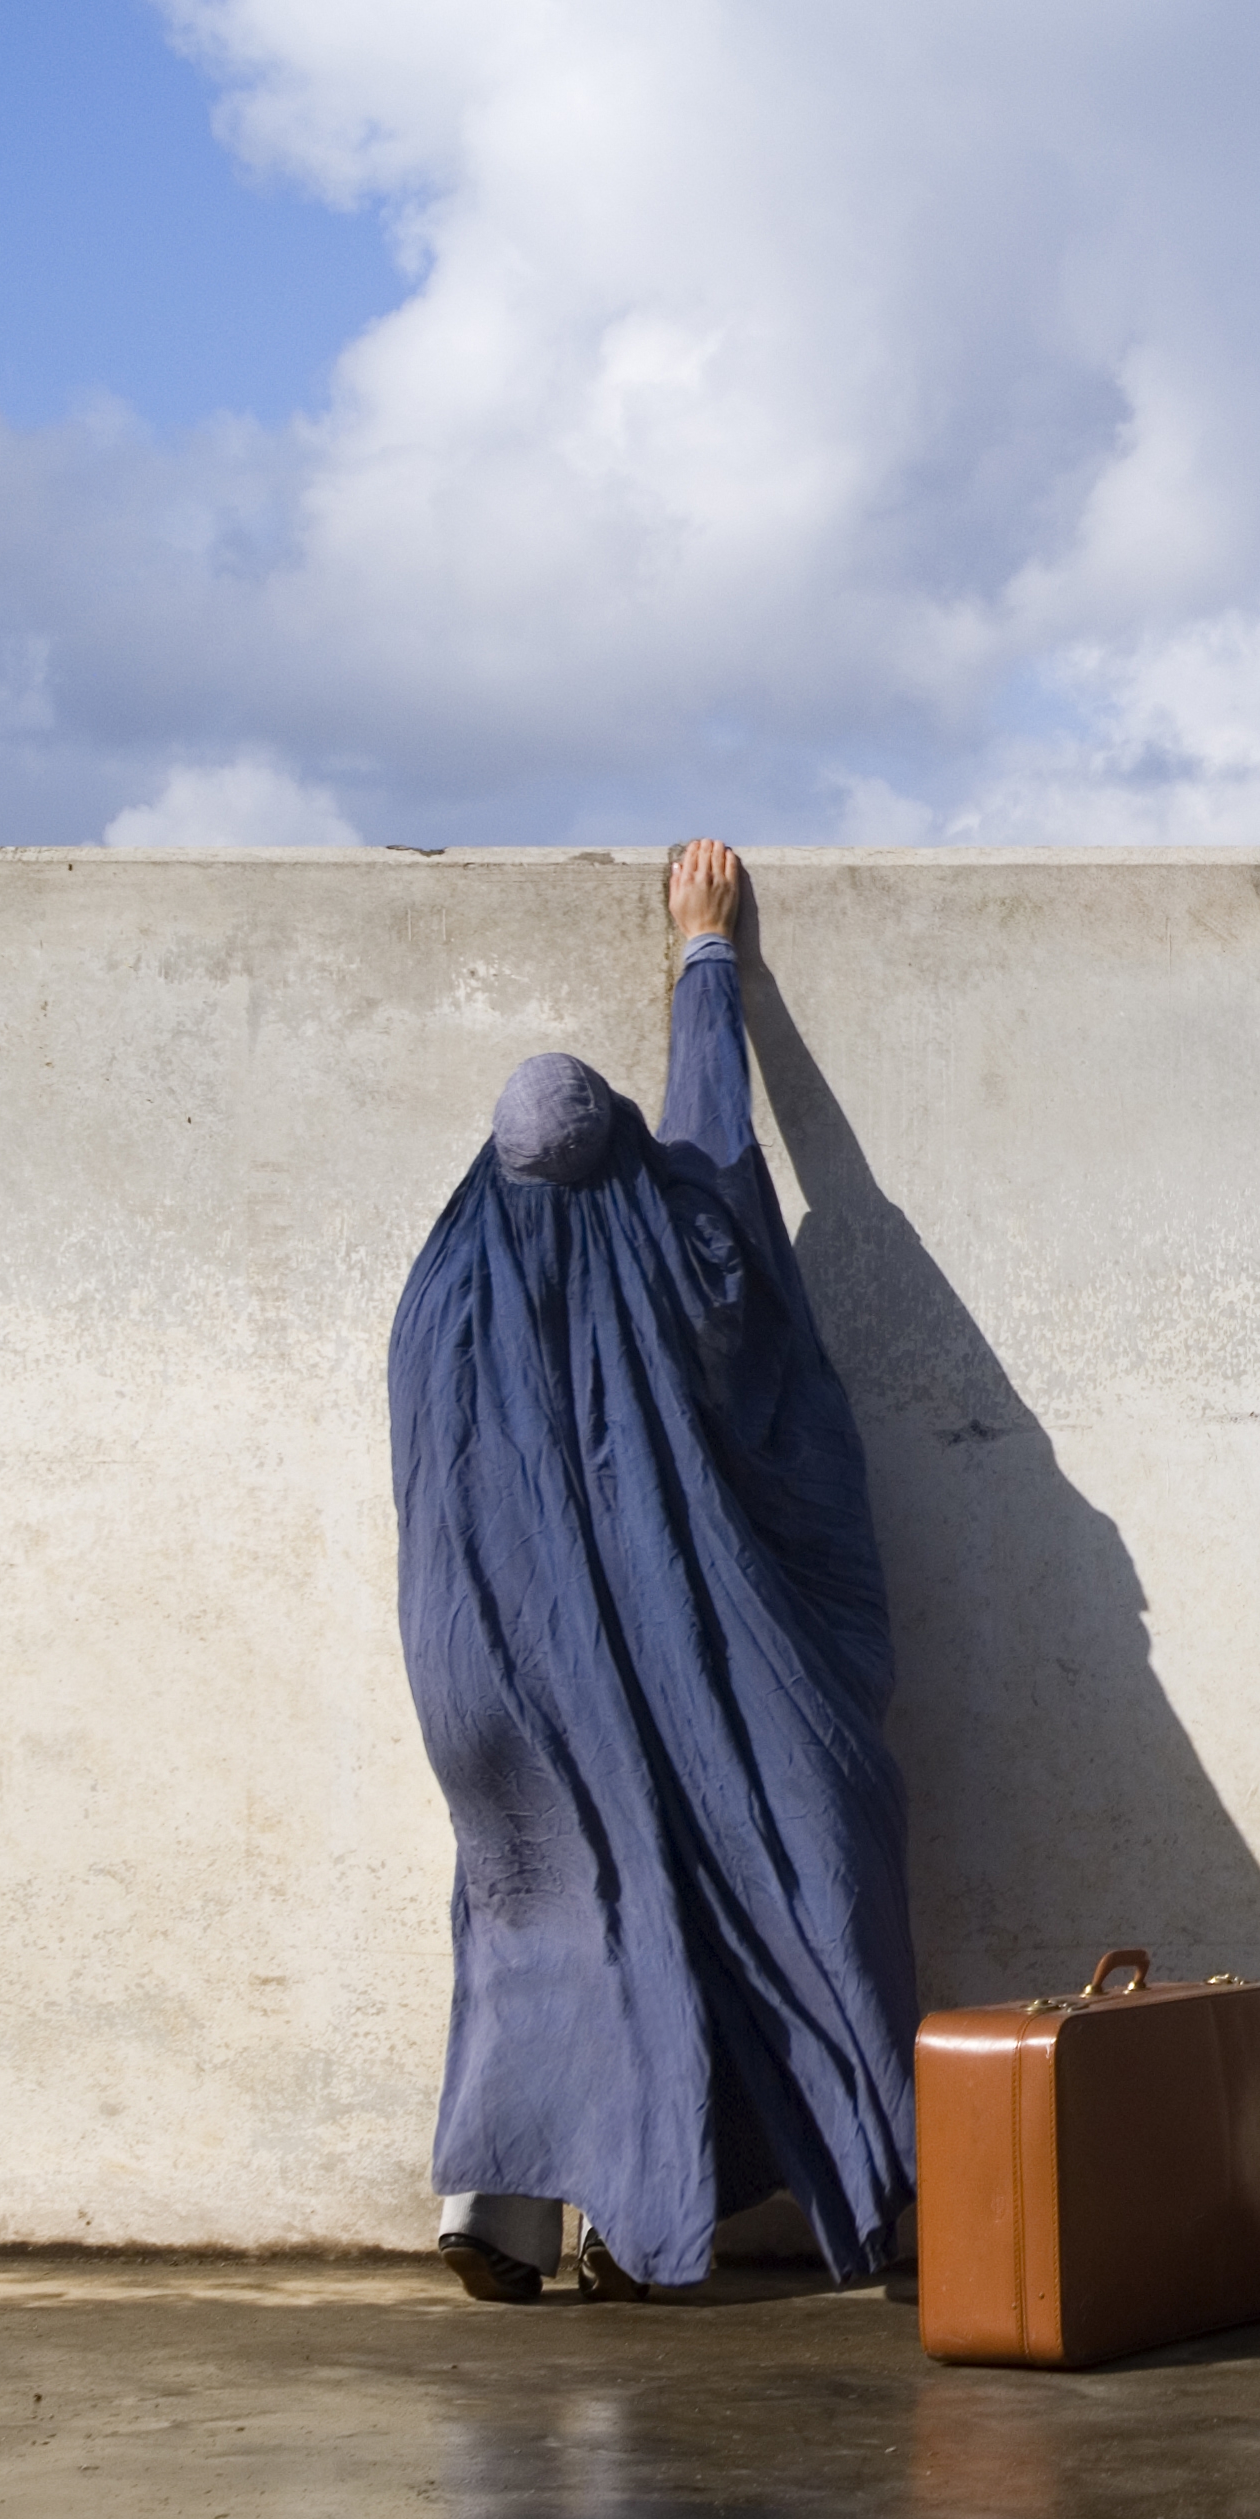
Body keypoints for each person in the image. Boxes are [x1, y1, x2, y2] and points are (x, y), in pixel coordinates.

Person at [392, 839, 918, 2305]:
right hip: (696, 1667)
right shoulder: (681, 1253)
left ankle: (498, 2213)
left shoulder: (448, 1288)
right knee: (787, 1859)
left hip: (497, 1685)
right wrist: (705, 962)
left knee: (544, 1910)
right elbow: (720, 1159)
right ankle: (648, 2220)